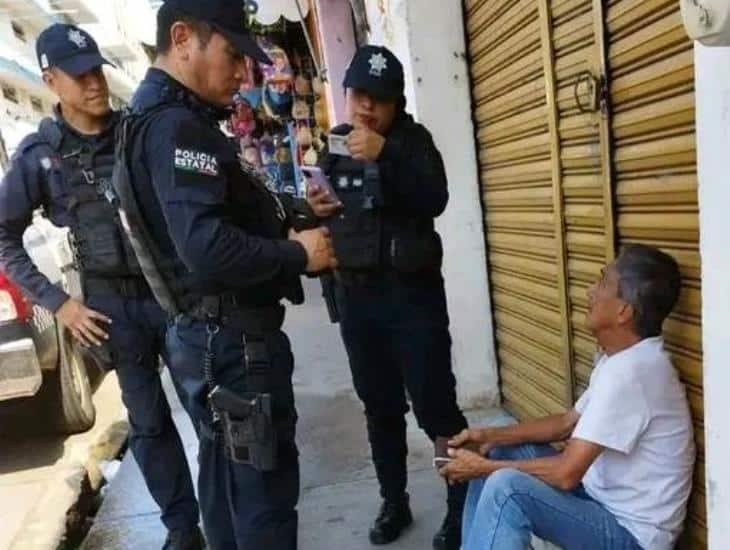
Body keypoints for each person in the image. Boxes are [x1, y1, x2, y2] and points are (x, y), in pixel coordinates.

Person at [115, 1, 336, 548]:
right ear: (184, 37)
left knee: (228, 503)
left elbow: (220, 213)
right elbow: (205, 245)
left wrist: (295, 213)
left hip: (211, 340)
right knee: (262, 510)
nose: (243, 72)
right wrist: (298, 257)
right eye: (232, 54)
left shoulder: (155, 119)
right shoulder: (177, 128)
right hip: (233, 347)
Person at [0, 24, 202, 550]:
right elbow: (4, 237)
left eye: (96, 71)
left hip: (174, 294)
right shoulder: (39, 155)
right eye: (79, 74)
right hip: (112, 308)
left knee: (212, 408)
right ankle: (183, 529)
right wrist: (58, 303)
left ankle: (229, 514)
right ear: (50, 79)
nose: (93, 83)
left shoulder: (138, 131)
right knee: (151, 426)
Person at [306, 45, 468, 549]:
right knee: (379, 409)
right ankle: (393, 501)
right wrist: (315, 206)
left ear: (396, 103)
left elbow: (435, 197)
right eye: (359, 96)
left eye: (379, 99)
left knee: (437, 410)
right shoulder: (334, 145)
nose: (366, 108)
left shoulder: (414, 143)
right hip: (358, 300)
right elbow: (320, 216)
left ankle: (461, 506)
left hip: (412, 299)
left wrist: (386, 154)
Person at [440, 244, 695, 550]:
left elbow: (565, 473)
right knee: (498, 450)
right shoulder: (623, 359)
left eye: (602, 282)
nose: (590, 291)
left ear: (623, 311)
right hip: (599, 501)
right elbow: (566, 423)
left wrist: (480, 469)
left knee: (505, 488)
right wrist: (487, 436)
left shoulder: (633, 373)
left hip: (630, 536)